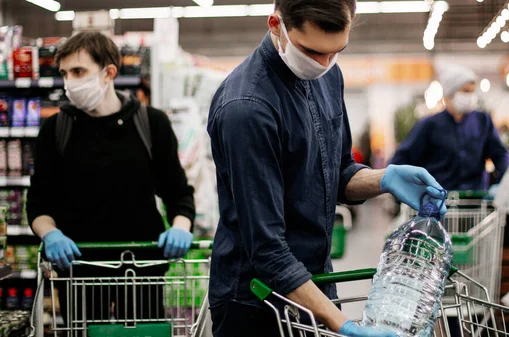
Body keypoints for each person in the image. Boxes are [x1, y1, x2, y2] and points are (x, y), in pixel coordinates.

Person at [206, 1, 447, 336]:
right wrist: (343, 325)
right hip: (256, 306)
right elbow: (268, 250)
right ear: (276, 25)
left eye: (336, 52)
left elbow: (339, 173)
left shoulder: (328, 75)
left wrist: (385, 179)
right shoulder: (246, 110)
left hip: (315, 287)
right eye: (311, 51)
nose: (323, 63)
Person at [26, 32, 195, 322]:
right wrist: (50, 234)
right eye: (65, 73)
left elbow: (179, 193)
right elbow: (38, 204)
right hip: (79, 272)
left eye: (79, 71)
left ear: (109, 73)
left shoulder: (151, 123)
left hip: (141, 270)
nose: (70, 83)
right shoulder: (56, 130)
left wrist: (181, 226)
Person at [389, 64, 509, 191]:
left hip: (475, 201)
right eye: (465, 91)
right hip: (438, 200)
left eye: (472, 91)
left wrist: (504, 183)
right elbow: (401, 158)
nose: (470, 96)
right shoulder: (429, 125)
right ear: (449, 95)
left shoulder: (482, 121)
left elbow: (499, 154)